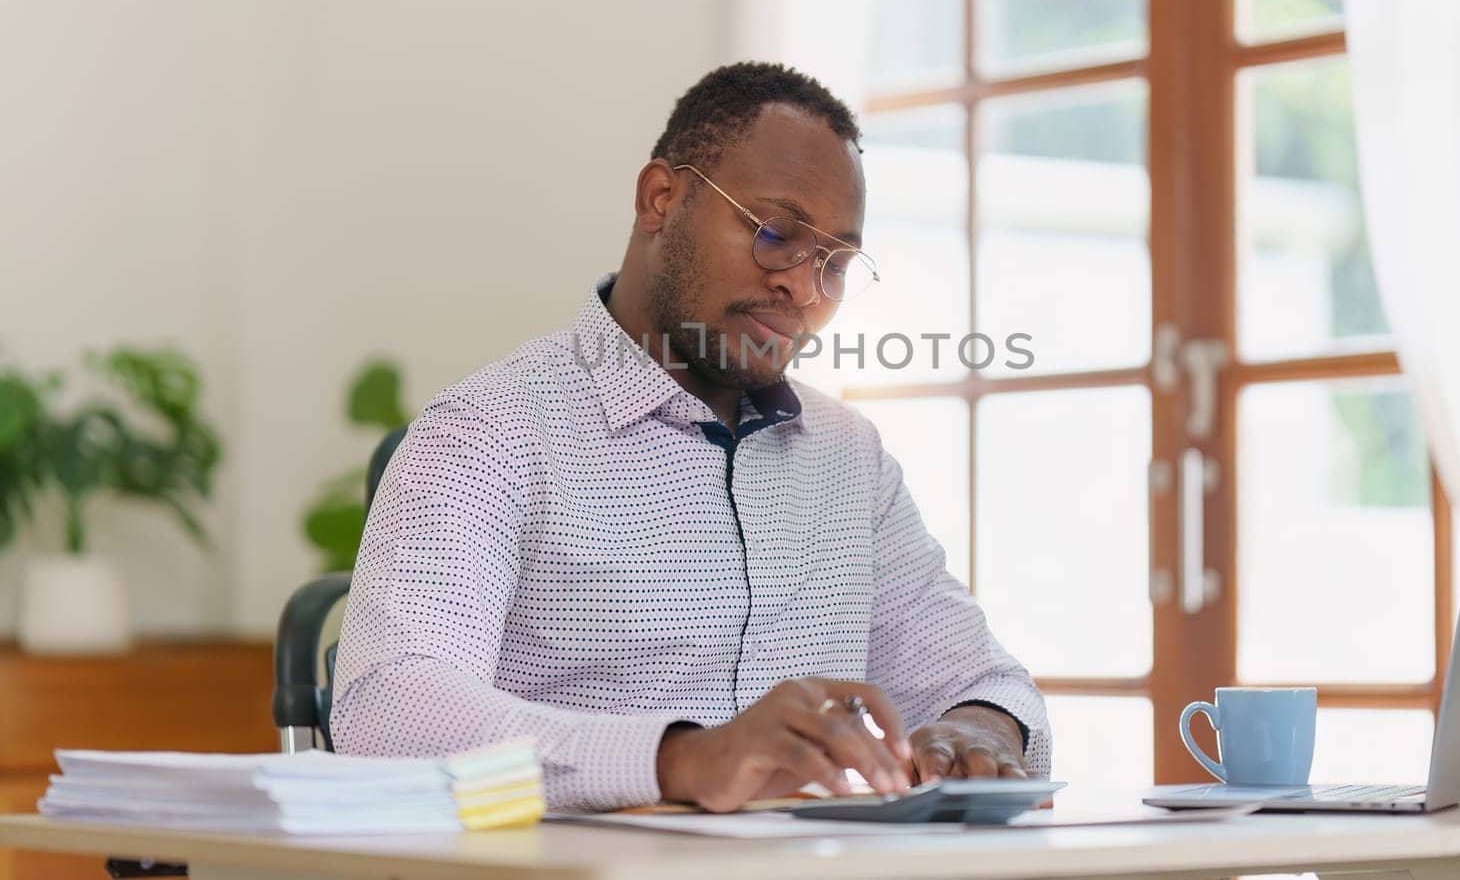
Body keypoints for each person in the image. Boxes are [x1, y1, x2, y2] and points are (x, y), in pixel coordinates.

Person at [330, 62, 1049, 812]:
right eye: (775, 233)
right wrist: (681, 759)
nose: (803, 289)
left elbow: (983, 684)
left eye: (834, 263)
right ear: (660, 199)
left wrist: (982, 734)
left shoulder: (849, 459)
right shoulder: (491, 434)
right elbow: (386, 710)